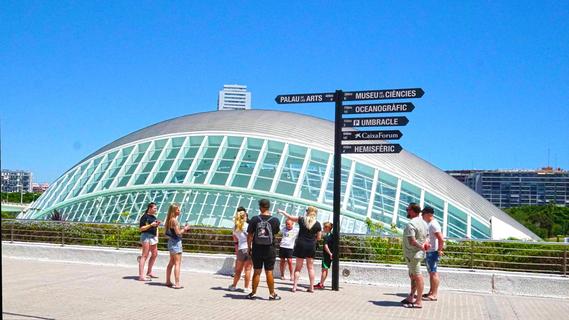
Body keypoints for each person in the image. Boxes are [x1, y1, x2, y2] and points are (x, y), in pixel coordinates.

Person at [277, 206, 322, 293]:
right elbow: (319, 237)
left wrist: (282, 211)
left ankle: (294, 287)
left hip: (301, 245)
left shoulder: (301, 219)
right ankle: (311, 287)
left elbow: (289, 217)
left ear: (307, 212)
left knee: (298, 268)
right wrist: (313, 240)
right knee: (310, 268)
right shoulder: (317, 224)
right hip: (311, 246)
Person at [246, 199, 281, 300]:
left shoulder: (254, 219)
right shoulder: (275, 220)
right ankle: (272, 294)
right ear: (268, 207)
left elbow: (249, 236)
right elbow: (275, 233)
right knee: (269, 272)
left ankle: (253, 293)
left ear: (260, 207)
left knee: (257, 271)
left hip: (257, 249)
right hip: (270, 249)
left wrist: (249, 247)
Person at [401, 203, 429, 309]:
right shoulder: (424, 223)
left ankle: (418, 302)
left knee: (417, 276)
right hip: (418, 254)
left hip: (413, 254)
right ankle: (411, 296)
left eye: (408, 209)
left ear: (413, 211)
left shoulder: (411, 224)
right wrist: (424, 245)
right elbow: (427, 237)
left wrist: (421, 246)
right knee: (413, 276)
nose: (407, 211)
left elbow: (412, 241)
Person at [164, 203, 190, 289]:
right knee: (177, 263)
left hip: (171, 242)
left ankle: (168, 281)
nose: (180, 211)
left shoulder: (169, 220)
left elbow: (171, 232)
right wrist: (185, 229)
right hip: (176, 242)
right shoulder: (174, 220)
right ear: (174, 211)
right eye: (178, 209)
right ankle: (177, 283)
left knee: (171, 262)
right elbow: (178, 233)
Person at [421, 206, 444, 302]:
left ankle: (434, 294)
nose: (422, 216)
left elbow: (441, 238)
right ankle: (431, 292)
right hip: (430, 252)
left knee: (434, 273)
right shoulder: (430, 224)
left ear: (428, 214)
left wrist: (439, 250)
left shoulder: (434, 224)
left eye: (423, 214)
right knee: (431, 273)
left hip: (433, 252)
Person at [228, 209, 252, 292]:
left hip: (241, 249)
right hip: (249, 248)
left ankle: (234, 286)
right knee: (248, 269)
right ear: (244, 217)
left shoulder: (235, 227)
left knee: (238, 270)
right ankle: (246, 287)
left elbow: (235, 239)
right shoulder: (248, 226)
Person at [138, 202, 160, 281]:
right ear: (150, 208)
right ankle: (141, 276)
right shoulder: (144, 217)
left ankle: (149, 272)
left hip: (153, 237)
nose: (156, 210)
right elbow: (141, 228)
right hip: (146, 236)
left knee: (155, 254)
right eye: (155, 208)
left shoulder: (154, 217)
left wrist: (157, 234)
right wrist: (151, 225)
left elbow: (156, 227)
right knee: (145, 255)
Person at [315, 222, 333, 289]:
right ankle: (321, 283)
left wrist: (330, 253)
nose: (323, 228)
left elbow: (326, 246)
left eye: (324, 227)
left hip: (326, 255)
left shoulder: (326, 236)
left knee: (324, 270)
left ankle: (321, 284)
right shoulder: (332, 235)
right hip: (330, 255)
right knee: (325, 269)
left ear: (328, 228)